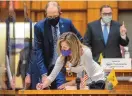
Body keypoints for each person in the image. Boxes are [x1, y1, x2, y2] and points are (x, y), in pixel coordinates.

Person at [25, 1, 82, 89]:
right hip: (46, 65)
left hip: (62, 64)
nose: (52, 19)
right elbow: (38, 51)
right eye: (50, 17)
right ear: (46, 14)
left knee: (61, 89)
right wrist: (43, 74)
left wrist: (76, 53)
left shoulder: (67, 23)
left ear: (60, 13)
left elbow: (79, 39)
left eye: (55, 16)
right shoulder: (39, 27)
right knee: (43, 89)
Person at [36, 32, 105, 90]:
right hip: (83, 83)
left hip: (97, 80)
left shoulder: (86, 52)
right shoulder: (62, 58)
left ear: (73, 47)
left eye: (65, 47)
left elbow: (89, 73)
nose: (62, 49)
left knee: (69, 88)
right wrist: (43, 85)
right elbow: (52, 76)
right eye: (61, 47)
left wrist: (71, 84)